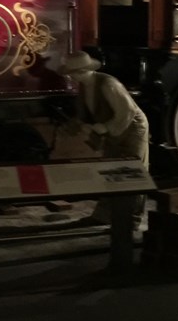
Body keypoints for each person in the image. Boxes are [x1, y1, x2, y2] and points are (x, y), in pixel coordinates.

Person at [59, 51, 150, 227]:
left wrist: (106, 127)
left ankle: (132, 220)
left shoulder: (109, 84)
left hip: (132, 129)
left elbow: (127, 111)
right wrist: (72, 127)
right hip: (114, 130)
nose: (70, 77)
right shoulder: (85, 86)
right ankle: (104, 216)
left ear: (81, 71)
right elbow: (83, 115)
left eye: (71, 73)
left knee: (135, 173)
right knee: (110, 172)